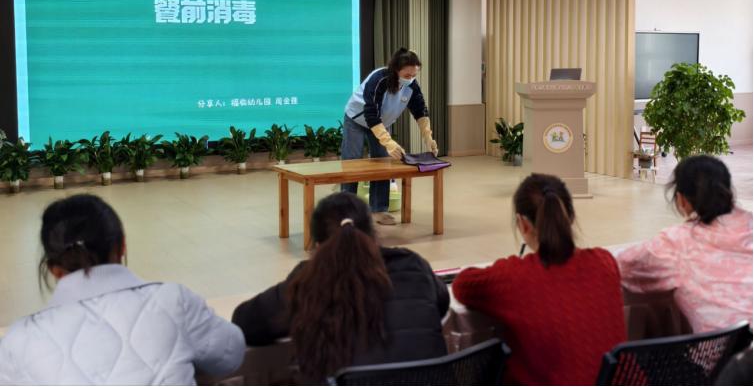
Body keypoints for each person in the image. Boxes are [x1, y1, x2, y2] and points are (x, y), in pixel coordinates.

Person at [0, 194, 245, 385]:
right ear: (122, 246)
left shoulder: (18, 341)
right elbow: (231, 354)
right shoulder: (174, 301)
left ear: (53, 269)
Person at [232, 192, 449, 383]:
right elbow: (441, 303)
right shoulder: (412, 265)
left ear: (317, 246)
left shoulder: (307, 279)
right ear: (374, 236)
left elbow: (245, 323)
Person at [452, 174, 626, 386]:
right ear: (570, 217)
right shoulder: (605, 263)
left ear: (522, 224)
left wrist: (509, 265)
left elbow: (462, 285)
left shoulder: (514, 277)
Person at [616, 155, 752, 333]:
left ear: (681, 200)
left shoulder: (676, 242)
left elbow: (620, 267)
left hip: (722, 349)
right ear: (729, 193)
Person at [341, 48, 437, 225]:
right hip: (357, 119)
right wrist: (388, 142)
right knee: (351, 163)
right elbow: (371, 113)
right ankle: (346, 212)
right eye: (406, 75)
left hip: (382, 123)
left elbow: (420, 111)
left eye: (414, 75)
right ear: (395, 70)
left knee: (383, 163)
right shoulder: (379, 79)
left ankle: (378, 210)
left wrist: (428, 137)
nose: (410, 79)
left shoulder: (411, 86)